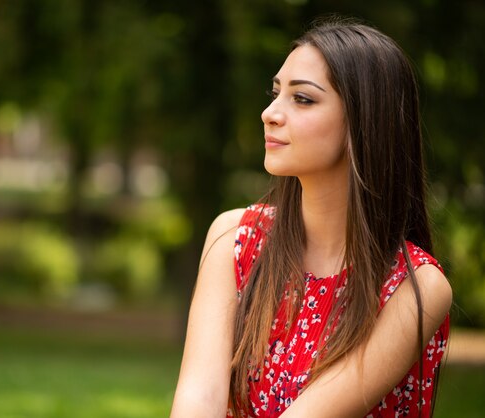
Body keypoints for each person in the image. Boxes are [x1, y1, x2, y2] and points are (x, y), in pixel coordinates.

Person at [170, 17, 452, 418]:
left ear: (363, 121)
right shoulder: (235, 238)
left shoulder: (417, 288)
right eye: (275, 93)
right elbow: (198, 399)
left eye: (302, 99)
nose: (270, 113)